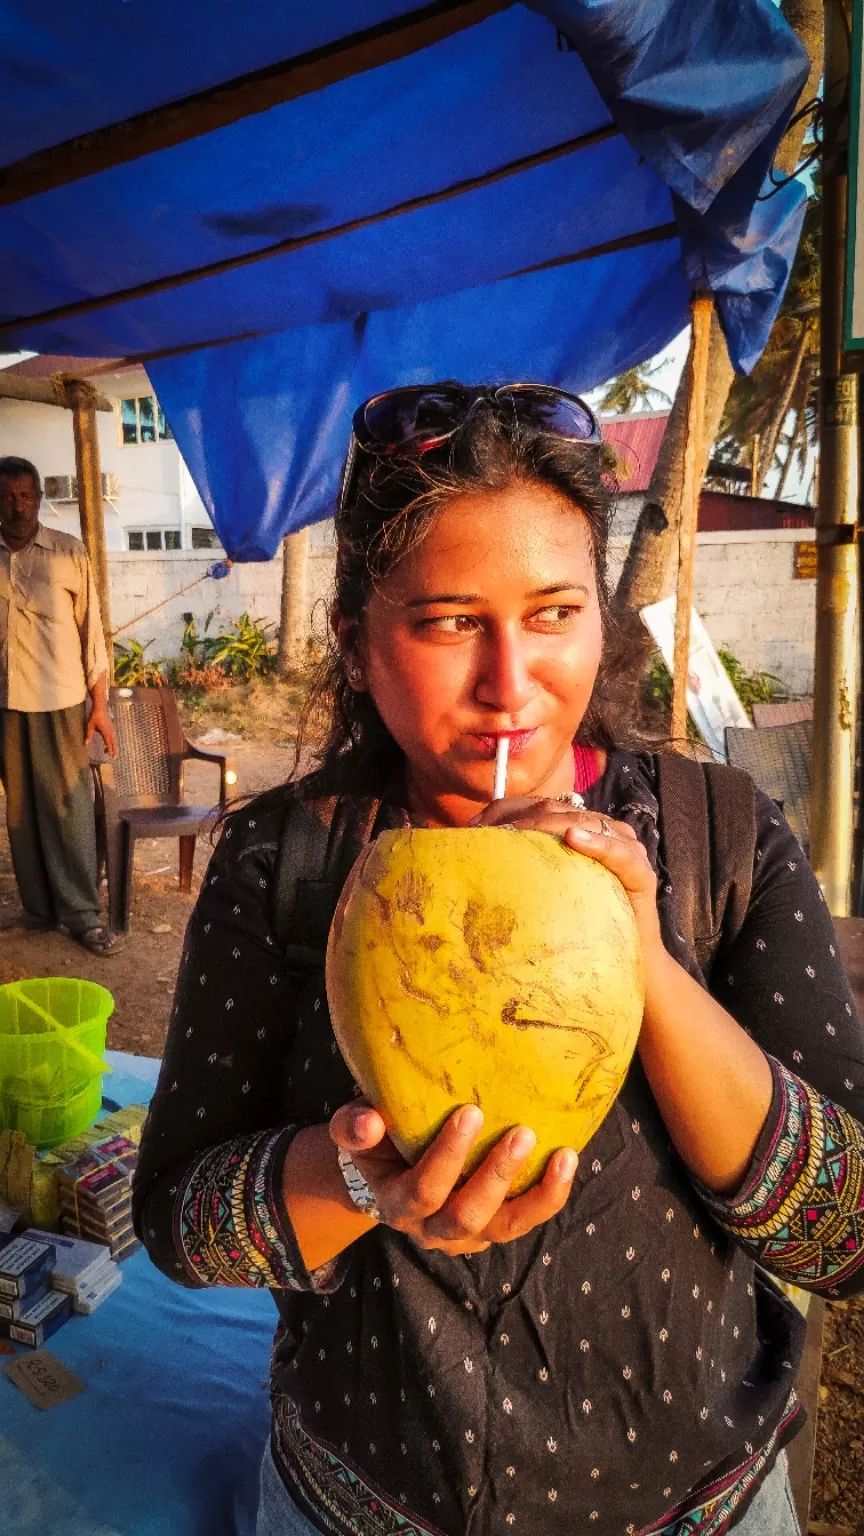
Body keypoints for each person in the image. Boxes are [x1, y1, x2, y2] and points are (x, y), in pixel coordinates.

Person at [134, 385, 864, 1536]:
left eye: (554, 613)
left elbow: (845, 1230)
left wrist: (643, 960)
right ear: (360, 645)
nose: (510, 685)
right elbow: (178, 1221)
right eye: (450, 621)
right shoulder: (290, 860)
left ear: (601, 624)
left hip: (696, 1510)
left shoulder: (720, 835)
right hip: (352, 1506)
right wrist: (360, 1179)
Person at [0, 455, 121, 954]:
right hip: (6, 704)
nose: (17, 506)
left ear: (40, 500)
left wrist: (100, 706)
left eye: (26, 495)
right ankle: (38, 909)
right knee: (20, 810)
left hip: (62, 699)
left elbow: (93, 636)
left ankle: (83, 914)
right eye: (7, 497)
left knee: (68, 807)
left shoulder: (68, 553)